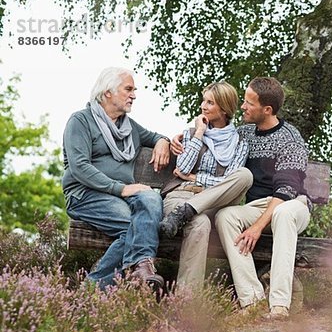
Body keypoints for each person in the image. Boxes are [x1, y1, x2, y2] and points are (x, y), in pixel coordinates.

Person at [62, 67, 171, 291]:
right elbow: (80, 167)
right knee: (135, 226)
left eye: (134, 90)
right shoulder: (81, 121)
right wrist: (120, 189)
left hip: (122, 196)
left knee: (151, 197)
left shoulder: (129, 127)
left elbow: (156, 136)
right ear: (108, 92)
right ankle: (93, 290)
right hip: (86, 194)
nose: (134, 95)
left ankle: (140, 270)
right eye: (128, 89)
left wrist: (162, 142)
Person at [215, 77, 311, 320]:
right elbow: (214, 142)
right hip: (258, 206)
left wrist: (257, 227)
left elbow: (286, 192)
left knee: (283, 213)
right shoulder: (244, 133)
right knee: (226, 216)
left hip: (292, 204)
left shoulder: (290, 138)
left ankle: (279, 305)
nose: (243, 107)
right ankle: (253, 301)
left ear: (267, 110)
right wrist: (176, 139)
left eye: (249, 103)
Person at [161, 81, 253, 289]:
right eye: (204, 100)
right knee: (200, 224)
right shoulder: (191, 133)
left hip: (213, 202)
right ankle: (187, 301)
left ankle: (188, 211)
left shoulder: (239, 143)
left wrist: (197, 179)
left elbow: (231, 180)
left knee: (244, 175)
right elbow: (182, 169)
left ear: (224, 109)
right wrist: (199, 133)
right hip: (180, 196)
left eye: (210, 102)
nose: (203, 106)